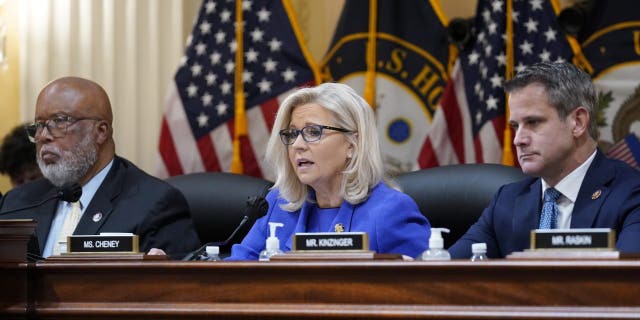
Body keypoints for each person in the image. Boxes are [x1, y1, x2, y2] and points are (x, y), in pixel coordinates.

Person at [449, 62, 640, 258]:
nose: (518, 140)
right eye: (515, 126)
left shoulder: (632, 194)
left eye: (533, 122)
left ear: (578, 122)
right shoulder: (507, 201)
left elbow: (627, 282)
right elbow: (444, 274)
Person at [0, 76, 200, 259]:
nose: (43, 136)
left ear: (100, 132)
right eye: (39, 125)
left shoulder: (154, 205)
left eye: (59, 122)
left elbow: (179, 290)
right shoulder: (17, 203)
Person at [227, 83, 431, 260]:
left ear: (353, 144)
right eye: (292, 134)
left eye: (313, 132)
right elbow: (233, 277)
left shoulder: (390, 211)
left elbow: (427, 291)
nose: (297, 145)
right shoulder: (277, 205)